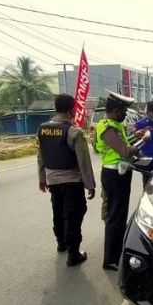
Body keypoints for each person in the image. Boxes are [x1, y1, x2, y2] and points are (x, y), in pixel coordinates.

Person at [37, 94, 96, 267]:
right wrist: (90, 185)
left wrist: (42, 178)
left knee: (58, 212)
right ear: (72, 109)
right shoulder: (74, 132)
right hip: (72, 182)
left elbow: (40, 156)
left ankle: (61, 243)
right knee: (73, 215)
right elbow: (83, 161)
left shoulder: (42, 129)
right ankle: (73, 254)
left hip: (53, 181)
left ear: (55, 108)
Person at [96, 90, 142, 271]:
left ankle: (118, 251)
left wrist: (136, 141)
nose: (125, 115)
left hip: (121, 174)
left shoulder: (116, 125)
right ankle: (111, 259)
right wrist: (138, 148)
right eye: (123, 111)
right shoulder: (107, 126)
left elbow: (126, 145)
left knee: (120, 214)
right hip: (113, 175)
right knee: (115, 217)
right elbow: (123, 150)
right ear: (115, 111)